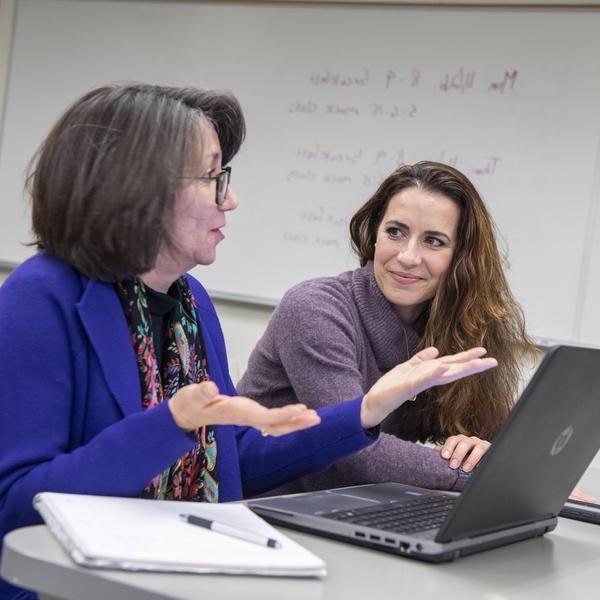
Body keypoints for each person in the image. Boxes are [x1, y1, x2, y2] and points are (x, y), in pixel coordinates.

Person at [0, 84, 496, 599]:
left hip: (182, 574)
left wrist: (365, 412)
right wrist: (171, 424)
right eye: (213, 179)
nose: (230, 199)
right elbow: (15, 505)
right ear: (138, 186)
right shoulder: (40, 299)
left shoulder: (188, 301)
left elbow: (231, 457)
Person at [238, 161, 536, 495]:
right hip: (259, 514)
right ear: (374, 234)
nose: (408, 256)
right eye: (395, 232)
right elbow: (355, 455)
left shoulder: (460, 326)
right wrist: (494, 475)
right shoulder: (314, 309)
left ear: (462, 259)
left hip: (353, 509)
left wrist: (474, 451)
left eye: (434, 241)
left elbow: (494, 445)